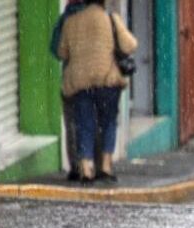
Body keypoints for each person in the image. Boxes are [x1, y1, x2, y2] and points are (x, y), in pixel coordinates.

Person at [58, 0, 137, 183]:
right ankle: (106, 166)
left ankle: (86, 168)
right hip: (107, 80)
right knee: (108, 121)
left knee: (84, 124)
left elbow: (62, 52)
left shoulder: (72, 21)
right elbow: (130, 45)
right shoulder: (111, 19)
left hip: (80, 82)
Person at [50, 0, 88, 181]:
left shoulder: (65, 19)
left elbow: (57, 50)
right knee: (92, 122)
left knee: (72, 123)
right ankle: (91, 165)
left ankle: (76, 166)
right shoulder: (99, 16)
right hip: (94, 79)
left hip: (72, 79)